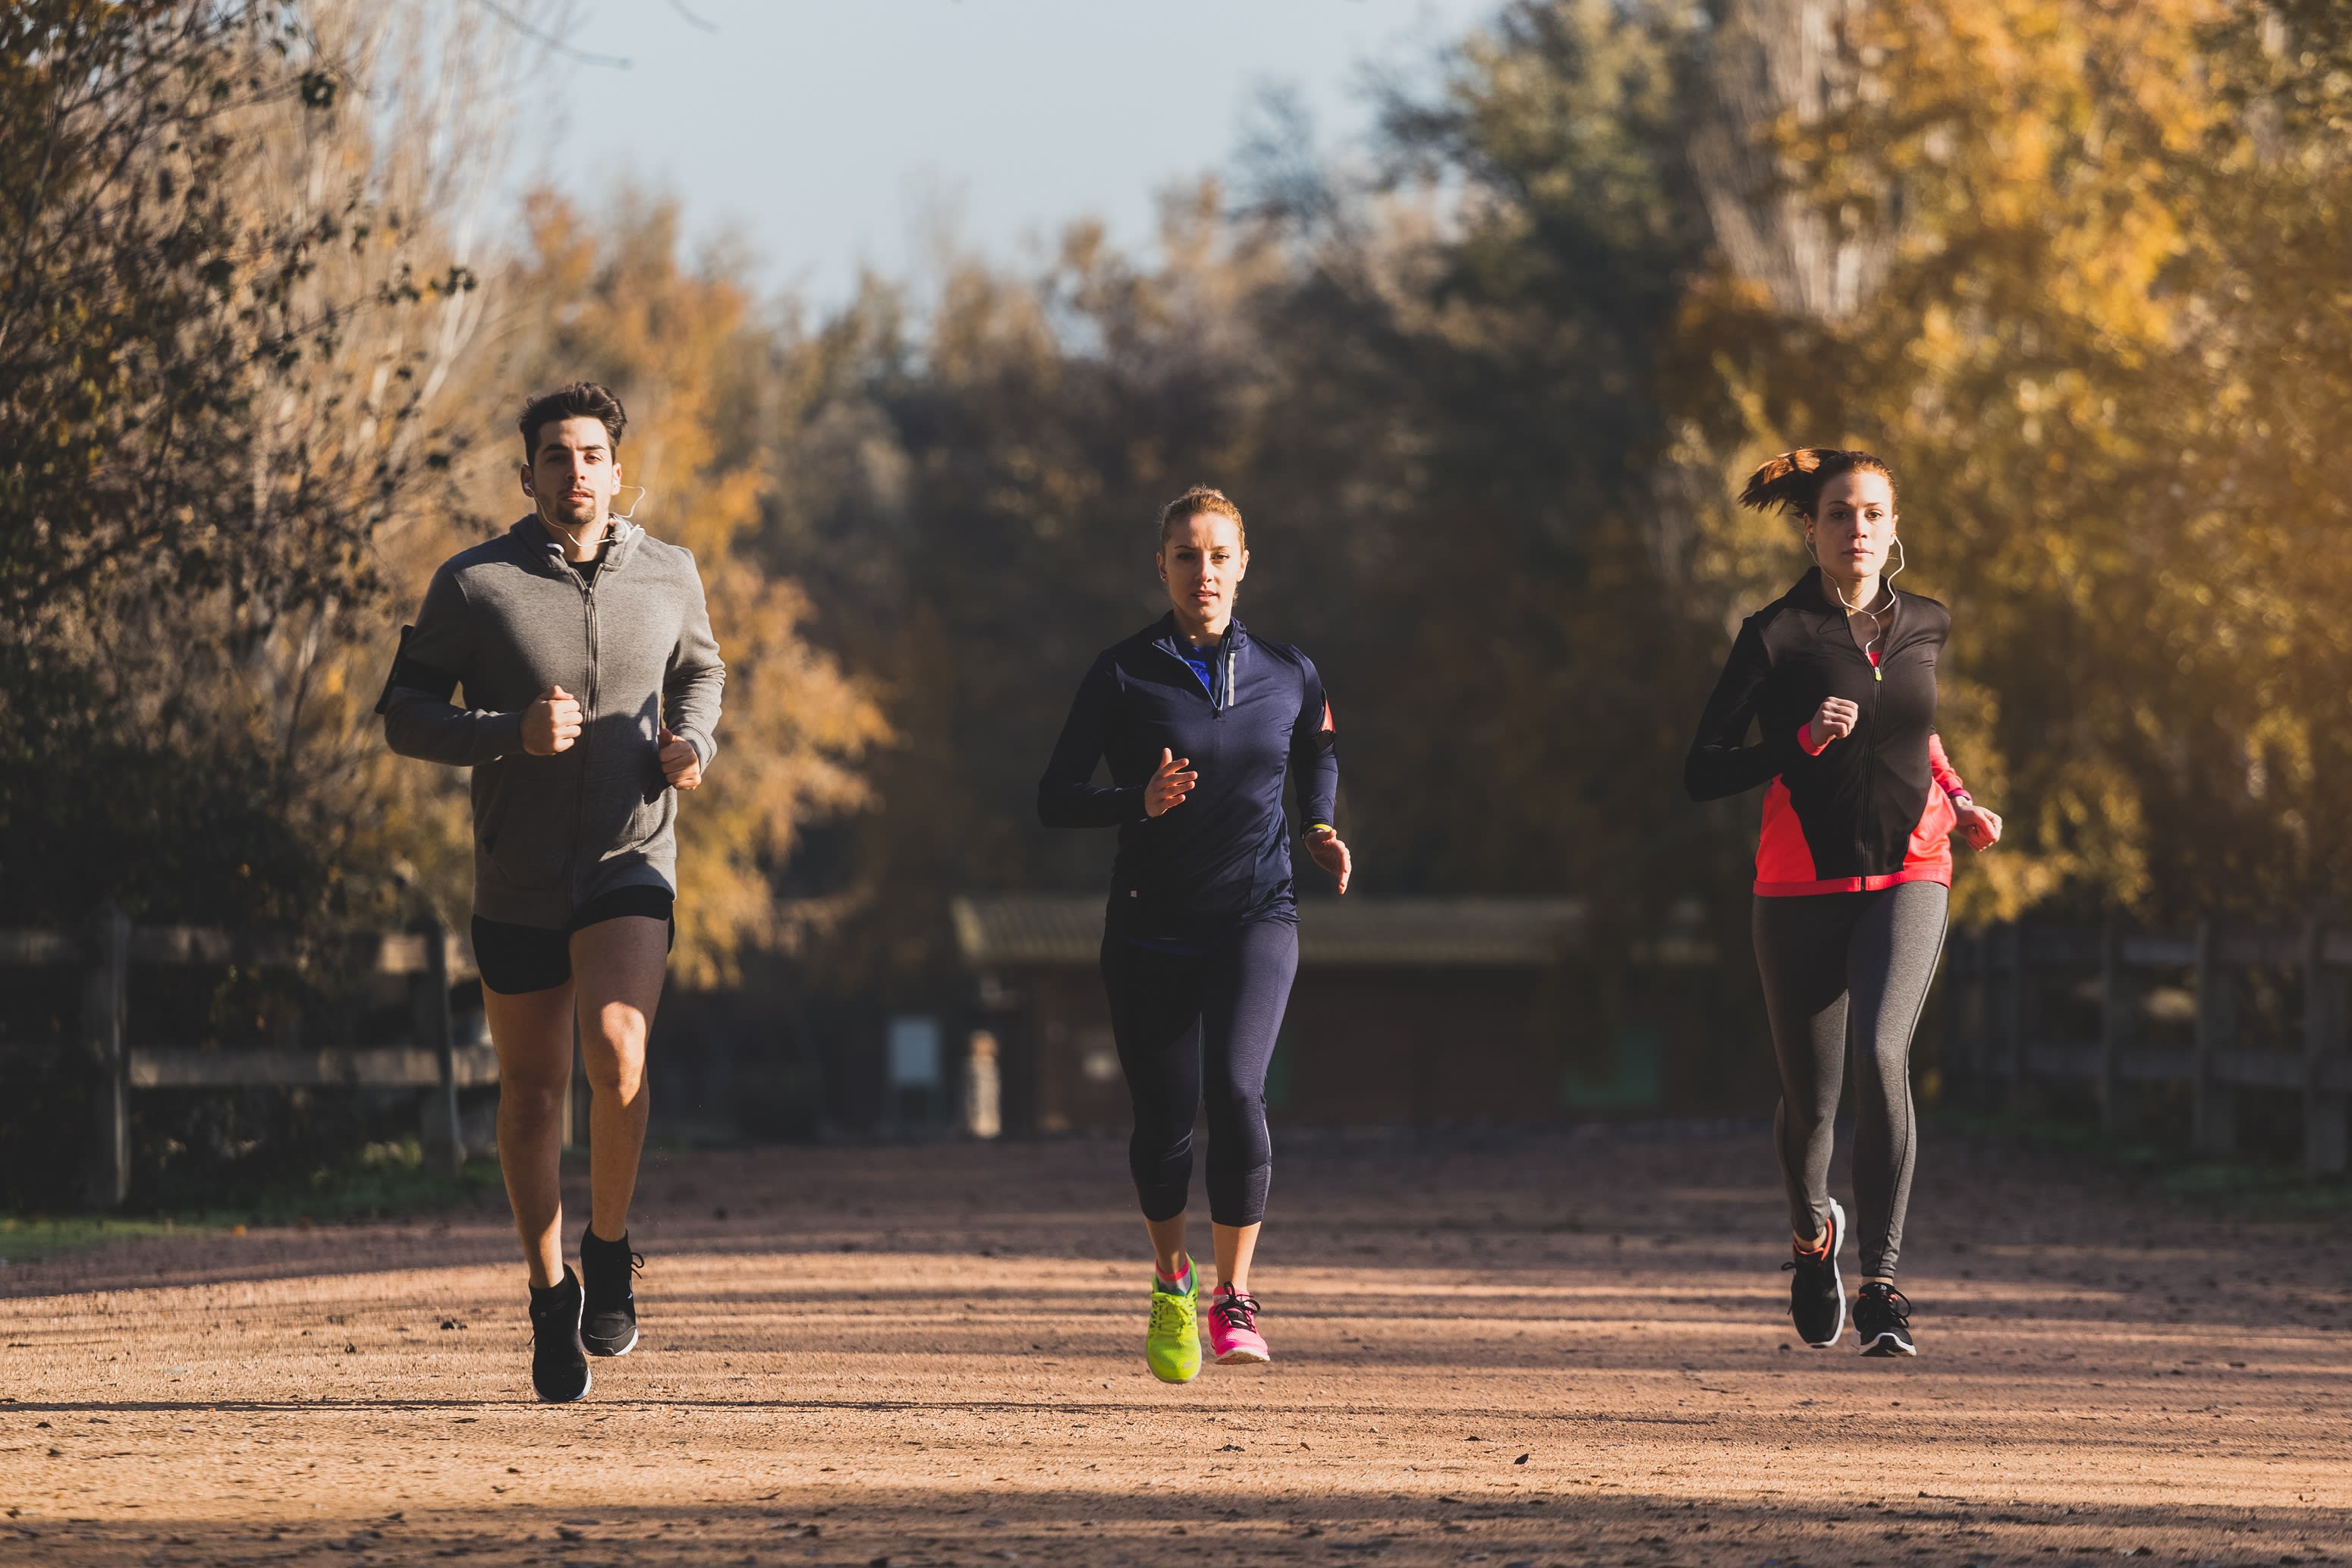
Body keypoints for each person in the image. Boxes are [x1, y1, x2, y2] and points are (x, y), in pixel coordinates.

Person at [380, 382, 723, 1401]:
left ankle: (609, 1247)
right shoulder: (475, 585)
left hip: (631, 854)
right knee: (532, 1093)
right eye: (554, 456)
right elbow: (402, 714)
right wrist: (506, 731)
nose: (575, 472)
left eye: (590, 454)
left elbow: (702, 669)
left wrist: (691, 742)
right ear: (525, 474)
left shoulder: (669, 572)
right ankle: (547, 1288)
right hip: (518, 872)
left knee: (617, 1049)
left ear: (617, 471)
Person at [1684, 448, 2002, 1358]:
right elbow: (1702, 770)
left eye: (1870, 514)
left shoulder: (1927, 624)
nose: (1855, 530)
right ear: (1810, 529)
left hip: (1911, 870)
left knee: (1880, 1050)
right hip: (1798, 888)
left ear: (1893, 528)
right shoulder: (1775, 634)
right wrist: (1797, 742)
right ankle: (1808, 1237)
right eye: (1837, 514)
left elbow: (1917, 732)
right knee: (1810, 1103)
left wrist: (1960, 796)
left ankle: (1883, 1286)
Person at [1038, 485, 1351, 1383]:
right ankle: (1172, 1278)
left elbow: (1317, 747)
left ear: (1244, 563)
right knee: (1166, 1124)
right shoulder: (1122, 673)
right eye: (1186, 555)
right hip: (1149, 927)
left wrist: (1320, 824)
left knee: (1237, 1090)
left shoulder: (1290, 669)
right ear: (1162, 566)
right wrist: (1131, 802)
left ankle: (1235, 1296)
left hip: (1257, 913)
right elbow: (1053, 796)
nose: (1202, 572)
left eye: (1218, 555)